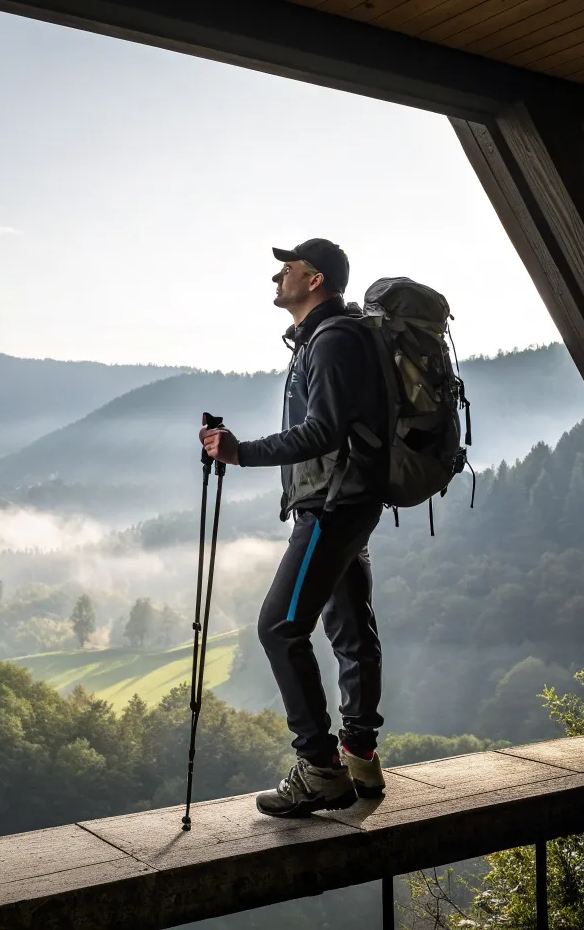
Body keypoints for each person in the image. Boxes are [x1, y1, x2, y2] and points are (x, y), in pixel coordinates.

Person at [199, 238, 387, 817]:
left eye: (288, 269)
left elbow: (324, 431)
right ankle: (359, 754)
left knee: (279, 628)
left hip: (331, 506)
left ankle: (319, 770)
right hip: (351, 500)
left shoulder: (330, 341)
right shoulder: (336, 337)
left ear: (316, 280)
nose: (276, 277)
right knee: (351, 624)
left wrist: (240, 452)